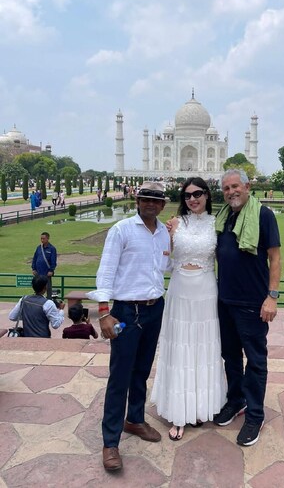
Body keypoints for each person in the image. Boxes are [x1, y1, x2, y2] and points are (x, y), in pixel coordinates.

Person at [86, 181, 171, 472]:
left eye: (155, 200)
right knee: (119, 377)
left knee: (142, 371)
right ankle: (110, 442)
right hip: (124, 311)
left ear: (163, 205)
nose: (150, 204)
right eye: (145, 199)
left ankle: (134, 419)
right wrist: (103, 312)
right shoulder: (122, 229)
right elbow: (106, 270)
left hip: (153, 308)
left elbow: (168, 268)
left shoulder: (163, 234)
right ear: (138, 201)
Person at [151, 177, 226, 441]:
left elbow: (225, 260)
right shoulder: (174, 224)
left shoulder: (217, 223)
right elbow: (162, 259)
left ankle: (201, 407)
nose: (192, 199)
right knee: (181, 347)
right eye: (187, 195)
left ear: (207, 195)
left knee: (203, 347)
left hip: (206, 291)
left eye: (197, 194)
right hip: (181, 290)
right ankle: (179, 413)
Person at [213, 169, 281, 447]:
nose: (231, 192)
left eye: (235, 186)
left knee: (255, 360)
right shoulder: (224, 217)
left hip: (252, 302)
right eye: (226, 188)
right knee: (230, 355)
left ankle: (255, 415)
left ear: (247, 186)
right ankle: (237, 400)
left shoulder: (262, 215)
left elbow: (275, 258)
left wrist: (272, 297)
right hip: (225, 299)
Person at [32, 231, 57, 299]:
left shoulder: (52, 249)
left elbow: (53, 261)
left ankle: (49, 300)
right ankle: (38, 300)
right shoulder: (39, 248)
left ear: (47, 238)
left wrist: (51, 270)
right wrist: (33, 268)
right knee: (37, 287)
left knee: (48, 288)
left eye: (43, 238)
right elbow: (35, 258)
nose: (42, 240)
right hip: (38, 272)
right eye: (41, 238)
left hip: (46, 273)